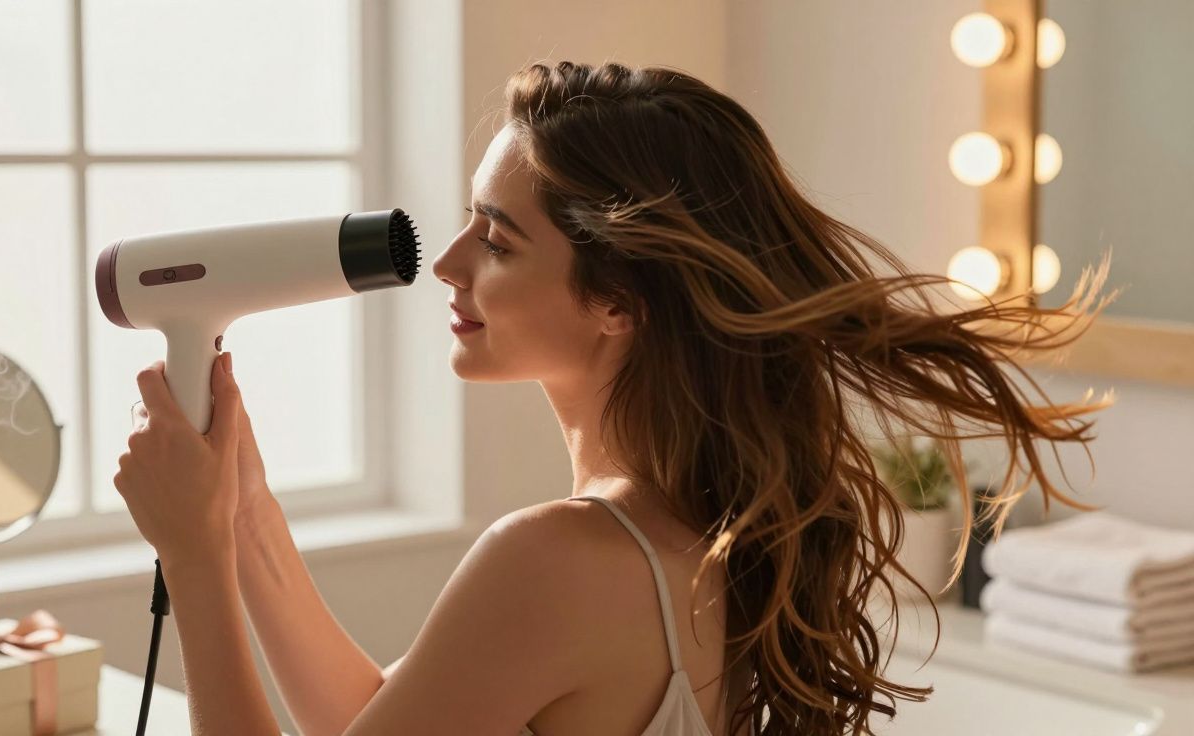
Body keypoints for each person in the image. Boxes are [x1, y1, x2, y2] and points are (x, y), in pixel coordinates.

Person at [114, 61, 1117, 735]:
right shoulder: (688, 526)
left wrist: (195, 564)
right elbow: (387, 716)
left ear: (618, 302)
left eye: (498, 240)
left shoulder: (555, 557)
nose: (450, 264)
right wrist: (243, 520)